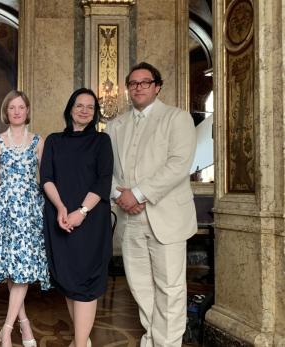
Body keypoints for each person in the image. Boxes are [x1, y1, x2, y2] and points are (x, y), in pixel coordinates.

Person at [105, 62, 197, 347]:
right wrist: (119, 195)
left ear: (157, 86)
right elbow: (104, 169)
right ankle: (152, 339)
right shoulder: (114, 125)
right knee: (141, 287)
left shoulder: (177, 118)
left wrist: (139, 193)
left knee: (169, 288)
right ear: (127, 89)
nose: (139, 87)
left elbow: (178, 165)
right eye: (133, 83)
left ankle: (166, 344)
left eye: (145, 82)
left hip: (166, 216)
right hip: (129, 218)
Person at [40, 88, 113, 347]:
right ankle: (82, 339)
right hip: (59, 219)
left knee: (85, 283)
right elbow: (46, 178)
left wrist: (81, 212)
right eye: (79, 105)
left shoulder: (102, 141)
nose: (84, 110)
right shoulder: (54, 140)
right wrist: (60, 208)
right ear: (70, 108)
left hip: (90, 220)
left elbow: (104, 180)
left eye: (90, 107)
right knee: (69, 281)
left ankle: (80, 343)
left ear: (95, 113)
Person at [0, 90, 50, 347]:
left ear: (27, 110)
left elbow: (45, 179)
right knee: (13, 268)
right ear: (6, 111)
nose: (16, 111)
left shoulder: (38, 142)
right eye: (11, 107)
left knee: (23, 270)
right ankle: (23, 323)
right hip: (4, 209)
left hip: (30, 209)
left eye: (20, 107)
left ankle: (7, 329)